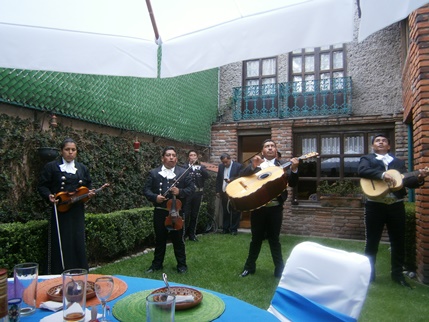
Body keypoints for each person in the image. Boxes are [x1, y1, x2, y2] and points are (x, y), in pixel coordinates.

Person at [358, 133, 427, 287]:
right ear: (373, 145)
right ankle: (369, 275)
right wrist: (383, 175)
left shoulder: (398, 162)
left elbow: (407, 181)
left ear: (389, 146)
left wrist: (420, 178)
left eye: (384, 141)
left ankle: (397, 276)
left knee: (398, 241)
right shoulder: (367, 159)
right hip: (375, 205)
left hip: (396, 205)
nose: (381, 142)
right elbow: (362, 171)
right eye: (378, 141)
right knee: (372, 241)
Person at [239, 139, 299, 278]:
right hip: (258, 208)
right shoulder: (256, 164)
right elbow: (242, 178)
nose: (270, 148)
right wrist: (252, 167)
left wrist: (294, 169)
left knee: (274, 239)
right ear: (262, 151)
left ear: (276, 150)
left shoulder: (283, 165)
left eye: (272, 146)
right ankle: (249, 267)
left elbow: (293, 183)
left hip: (275, 209)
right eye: (267, 146)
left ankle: (279, 269)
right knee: (256, 239)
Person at [38, 138, 95, 274]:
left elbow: (88, 185)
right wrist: (49, 196)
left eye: (73, 150)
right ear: (62, 151)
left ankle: (79, 271)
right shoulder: (52, 167)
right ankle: (57, 272)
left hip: (77, 211)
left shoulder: (82, 168)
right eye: (67, 149)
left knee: (77, 239)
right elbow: (42, 185)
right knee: (61, 241)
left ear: (76, 152)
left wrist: (89, 193)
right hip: (60, 211)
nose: (70, 152)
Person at [143, 146, 194, 273]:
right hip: (160, 212)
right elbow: (146, 190)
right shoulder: (154, 173)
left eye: (173, 155)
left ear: (176, 159)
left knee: (178, 240)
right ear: (162, 158)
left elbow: (191, 188)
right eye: (168, 155)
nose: (171, 157)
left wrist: (180, 191)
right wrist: (155, 197)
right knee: (160, 239)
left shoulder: (183, 172)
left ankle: (182, 265)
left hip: (177, 213)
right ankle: (156, 265)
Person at [182, 150, 210, 241]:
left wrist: (200, 168)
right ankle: (183, 234)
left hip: (198, 193)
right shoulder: (184, 167)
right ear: (188, 157)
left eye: (194, 155)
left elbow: (207, 176)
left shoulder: (201, 167)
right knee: (186, 214)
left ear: (197, 157)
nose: (193, 157)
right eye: (191, 155)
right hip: (188, 194)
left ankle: (192, 235)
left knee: (194, 215)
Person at [215, 153, 242, 235]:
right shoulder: (221, 166)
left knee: (235, 211)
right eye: (223, 162)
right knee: (225, 211)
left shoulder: (238, 166)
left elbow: (241, 177)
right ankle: (225, 228)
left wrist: (231, 180)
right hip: (224, 192)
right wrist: (218, 191)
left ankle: (234, 229)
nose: (225, 164)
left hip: (234, 192)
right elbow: (219, 179)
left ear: (230, 159)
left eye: (226, 162)